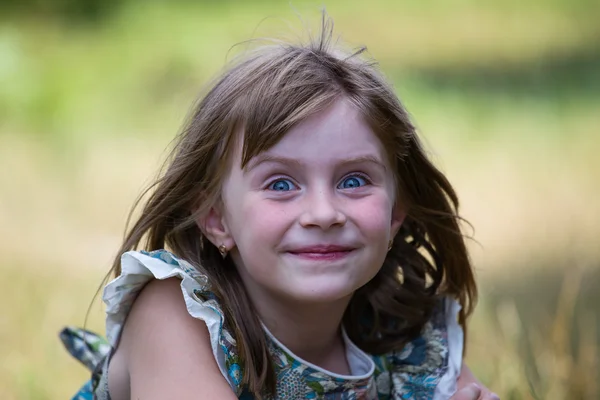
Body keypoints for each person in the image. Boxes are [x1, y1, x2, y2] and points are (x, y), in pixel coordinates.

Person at [62, 13, 499, 400]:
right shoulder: (176, 315)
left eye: (353, 180)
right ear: (216, 219)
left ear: (395, 213)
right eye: (281, 184)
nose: (324, 213)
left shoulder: (406, 340)